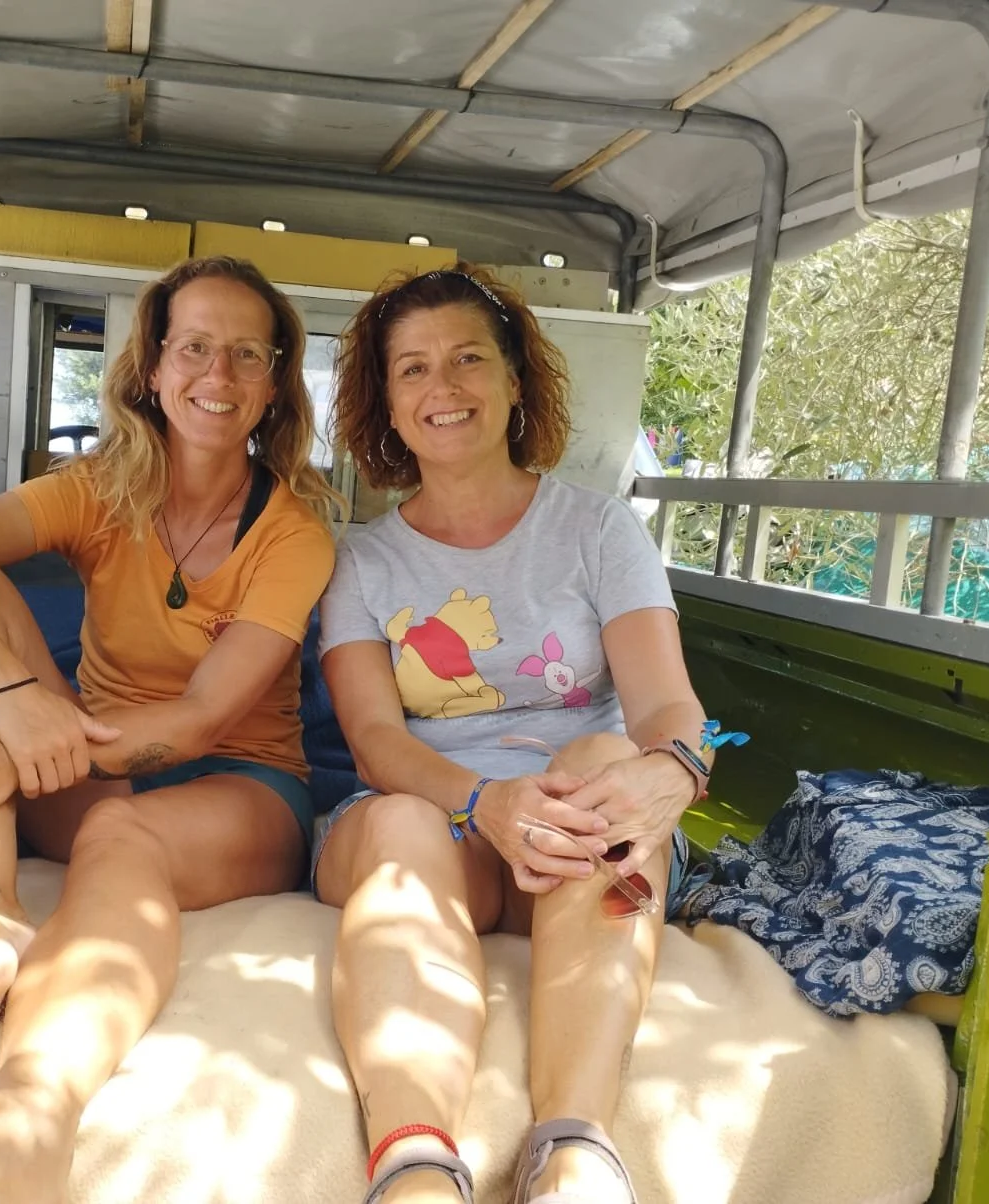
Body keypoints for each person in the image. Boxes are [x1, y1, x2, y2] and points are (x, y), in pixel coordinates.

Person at [0, 255, 339, 1204]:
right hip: (80, 767)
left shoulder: (294, 534)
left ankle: (26, 1119)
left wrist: (5, 758)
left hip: (239, 789)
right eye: (195, 349)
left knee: (121, 830)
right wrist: (11, 693)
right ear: (153, 369)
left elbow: (198, 721)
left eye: (247, 355)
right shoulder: (100, 488)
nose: (218, 375)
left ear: (273, 384)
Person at [314, 265, 712, 1204]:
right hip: (431, 820)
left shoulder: (599, 529)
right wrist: (486, 802)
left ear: (516, 380)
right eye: (412, 369)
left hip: (576, 833)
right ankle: (414, 1164)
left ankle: (574, 1151)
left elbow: (667, 707)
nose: (442, 387)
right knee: (403, 819)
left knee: (604, 759)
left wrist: (674, 769)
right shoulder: (361, 562)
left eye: (467, 359)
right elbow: (373, 741)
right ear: (387, 404)